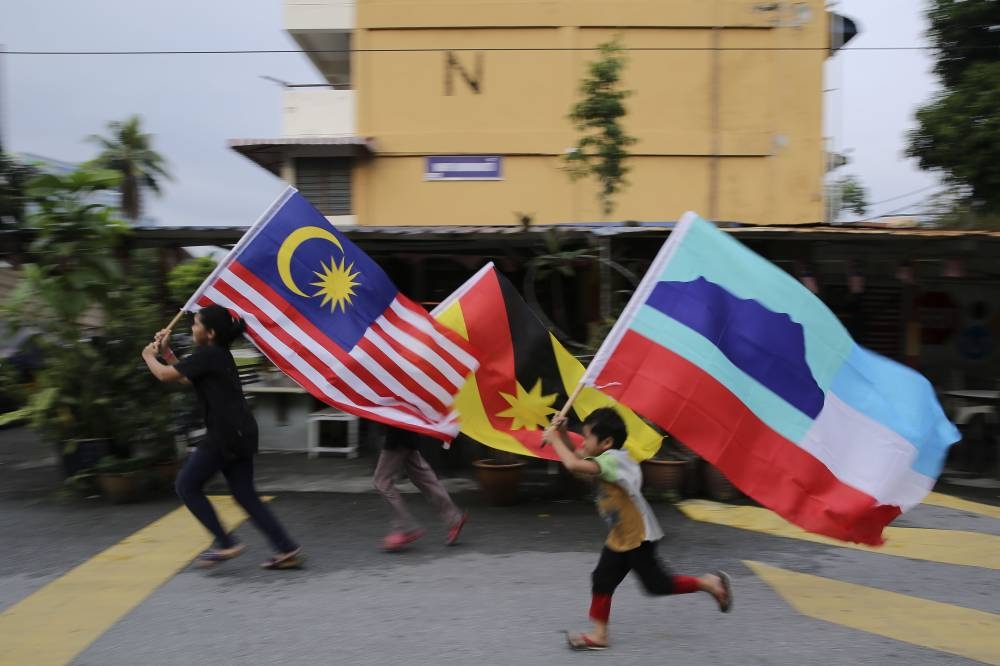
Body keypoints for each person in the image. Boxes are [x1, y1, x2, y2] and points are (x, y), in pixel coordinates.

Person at [542, 407, 732, 651]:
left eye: (587, 436)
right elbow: (578, 456)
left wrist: (555, 438)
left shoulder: (611, 461)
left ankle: (709, 583)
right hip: (621, 535)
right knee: (602, 578)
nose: (584, 440)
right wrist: (564, 433)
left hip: (639, 536)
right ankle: (600, 635)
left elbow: (573, 465)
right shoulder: (607, 456)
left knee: (656, 584)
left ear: (606, 442)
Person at [142, 305, 302, 570]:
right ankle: (286, 548)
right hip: (241, 431)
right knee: (245, 494)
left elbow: (165, 375)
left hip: (225, 435)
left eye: (196, 324)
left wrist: (149, 355)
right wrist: (167, 352)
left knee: (186, 485)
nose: (192, 328)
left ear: (211, 332)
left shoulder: (209, 355)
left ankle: (226, 542)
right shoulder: (215, 354)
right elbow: (187, 378)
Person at [372, 425, 468, 551]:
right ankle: (453, 517)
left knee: (382, 481)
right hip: (406, 430)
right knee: (422, 477)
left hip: (397, 432)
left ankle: (405, 527)